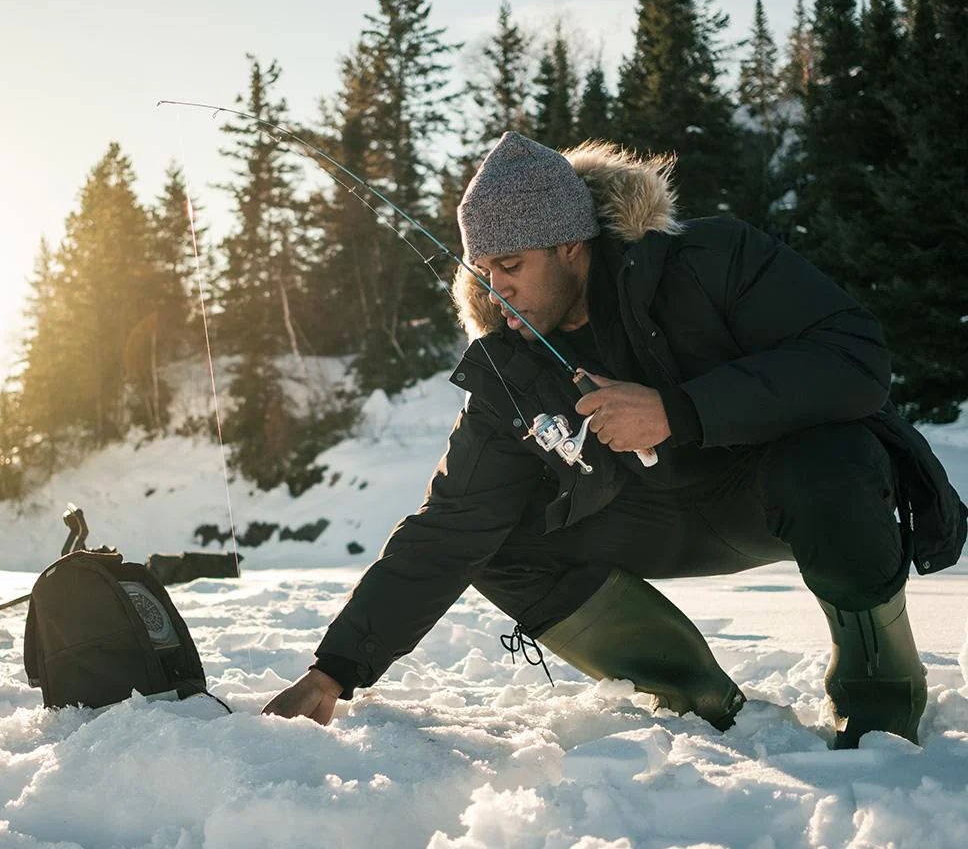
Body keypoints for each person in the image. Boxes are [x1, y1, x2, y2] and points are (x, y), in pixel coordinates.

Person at [263, 132, 966, 747]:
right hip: (653, 521)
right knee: (495, 541)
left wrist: (678, 411)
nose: (496, 289)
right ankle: (697, 700)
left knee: (836, 457)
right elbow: (450, 523)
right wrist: (337, 670)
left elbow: (856, 358)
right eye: (484, 271)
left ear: (570, 245)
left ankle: (882, 702)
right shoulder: (513, 365)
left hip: (778, 493)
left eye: (512, 266)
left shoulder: (709, 258)